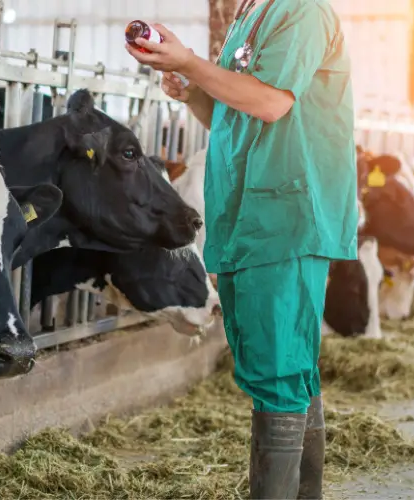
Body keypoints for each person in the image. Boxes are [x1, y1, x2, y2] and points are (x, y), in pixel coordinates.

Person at [125, 1, 357, 498]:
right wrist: (192, 93)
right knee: (287, 363)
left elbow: (273, 104)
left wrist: (190, 62)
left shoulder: (302, 10)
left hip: (285, 212)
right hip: (247, 213)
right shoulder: (252, 13)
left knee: (278, 368)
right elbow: (238, 118)